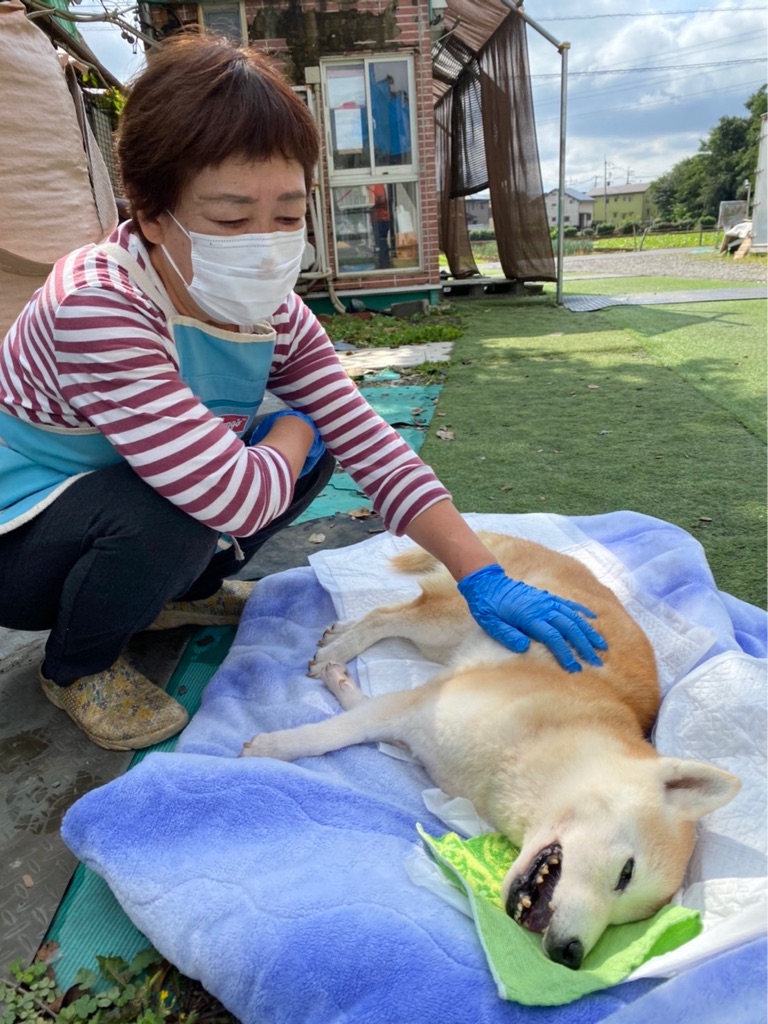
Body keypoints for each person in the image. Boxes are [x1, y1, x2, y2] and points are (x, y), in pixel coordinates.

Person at [0, 34, 605, 753]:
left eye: (287, 216)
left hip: (120, 499)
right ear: (153, 215)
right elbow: (231, 499)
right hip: (21, 542)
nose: (264, 246)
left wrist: (482, 575)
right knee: (203, 493)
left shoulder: (276, 314)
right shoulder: (97, 304)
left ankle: (178, 594)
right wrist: (292, 428)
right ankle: (78, 666)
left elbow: (368, 439)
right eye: (231, 219)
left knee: (314, 446)